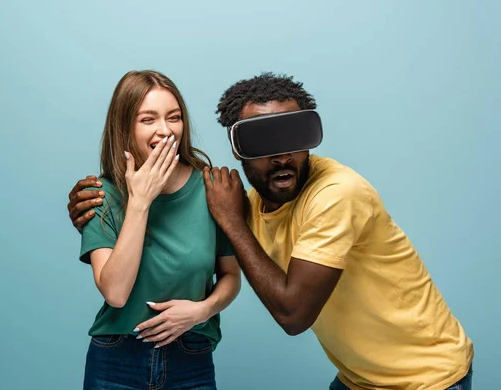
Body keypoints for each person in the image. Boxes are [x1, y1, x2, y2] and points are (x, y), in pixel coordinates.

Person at [68, 73, 474, 390]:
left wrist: (210, 287)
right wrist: (124, 207)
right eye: (264, 141)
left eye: (292, 137)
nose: (281, 155)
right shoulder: (250, 203)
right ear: (239, 148)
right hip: (361, 379)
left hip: (427, 377)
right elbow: (117, 289)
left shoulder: (334, 194)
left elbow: (291, 312)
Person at [72, 70, 241, 390]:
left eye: (173, 117)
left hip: (192, 359)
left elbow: (231, 276)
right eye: (147, 119)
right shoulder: (99, 196)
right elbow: (115, 293)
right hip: (115, 363)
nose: (165, 130)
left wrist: (202, 310)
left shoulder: (211, 189)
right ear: (125, 128)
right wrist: (139, 202)